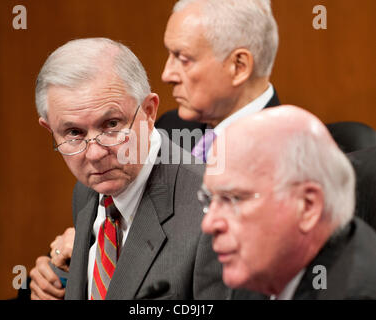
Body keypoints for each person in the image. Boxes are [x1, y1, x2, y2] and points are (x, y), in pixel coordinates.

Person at [29, 38, 228, 300]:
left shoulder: (213, 210)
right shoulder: (86, 191)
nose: (95, 154)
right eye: (73, 133)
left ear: (149, 111)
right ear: (50, 130)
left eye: (111, 125)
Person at [200, 105, 376, 299]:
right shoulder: (260, 272)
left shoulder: (359, 292)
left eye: (234, 199)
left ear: (307, 206)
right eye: (209, 198)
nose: (208, 224)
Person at [159, 0, 280, 156]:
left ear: (239, 67)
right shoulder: (167, 130)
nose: (167, 75)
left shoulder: (292, 153)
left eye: (183, 59)